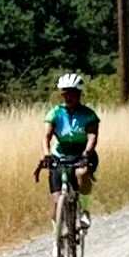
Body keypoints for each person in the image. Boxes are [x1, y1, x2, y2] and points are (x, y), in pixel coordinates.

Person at [43, 70, 101, 204]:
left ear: (79, 94)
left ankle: (85, 208)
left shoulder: (89, 114)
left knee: (82, 174)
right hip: (60, 155)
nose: (68, 97)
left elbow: (93, 137)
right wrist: (46, 155)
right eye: (65, 94)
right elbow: (46, 137)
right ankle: (58, 221)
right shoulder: (55, 113)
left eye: (72, 93)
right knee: (56, 201)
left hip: (82, 154)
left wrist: (86, 155)